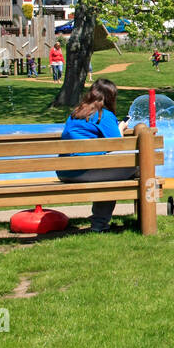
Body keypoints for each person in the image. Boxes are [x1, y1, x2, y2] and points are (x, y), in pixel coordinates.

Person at [56, 79, 130, 233]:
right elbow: (118, 145)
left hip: (64, 171)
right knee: (138, 168)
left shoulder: (76, 113)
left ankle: (100, 222)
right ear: (110, 98)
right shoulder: (103, 115)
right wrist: (121, 127)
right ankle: (100, 224)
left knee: (109, 173)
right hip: (83, 171)